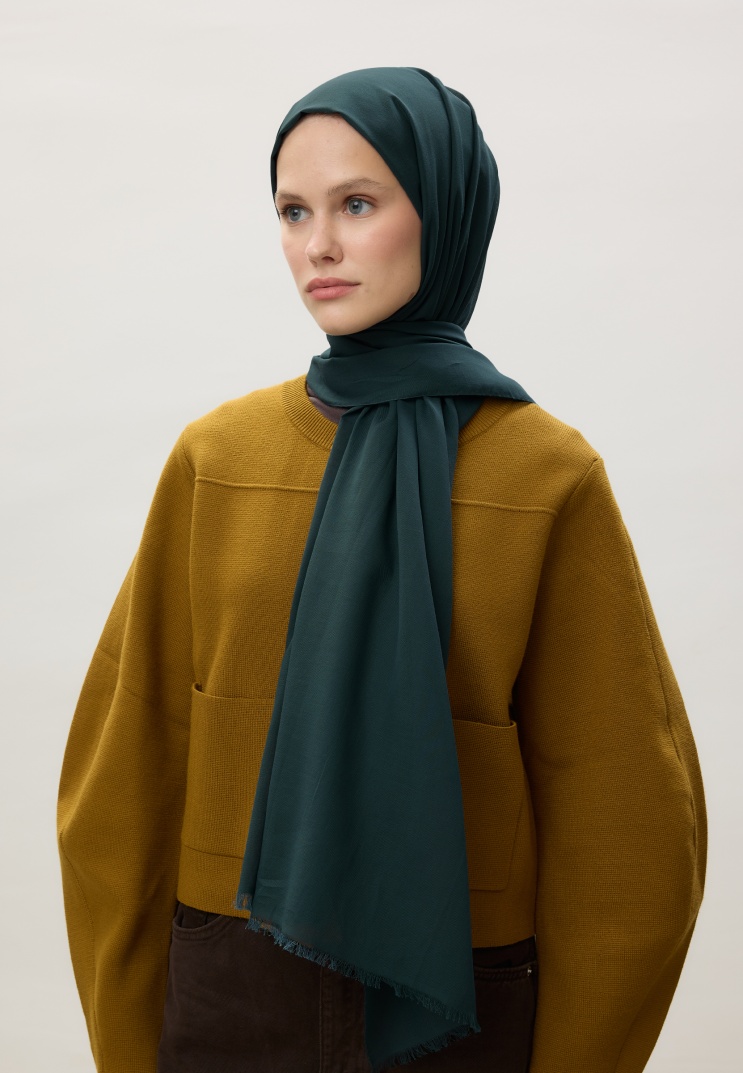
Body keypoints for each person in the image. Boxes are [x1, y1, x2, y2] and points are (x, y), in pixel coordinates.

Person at [57, 67, 706, 1073]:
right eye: (292, 210)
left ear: (443, 211)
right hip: (230, 993)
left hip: (466, 1006)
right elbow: (124, 779)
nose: (317, 244)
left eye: (356, 204)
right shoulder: (215, 459)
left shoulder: (546, 476)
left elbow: (627, 823)